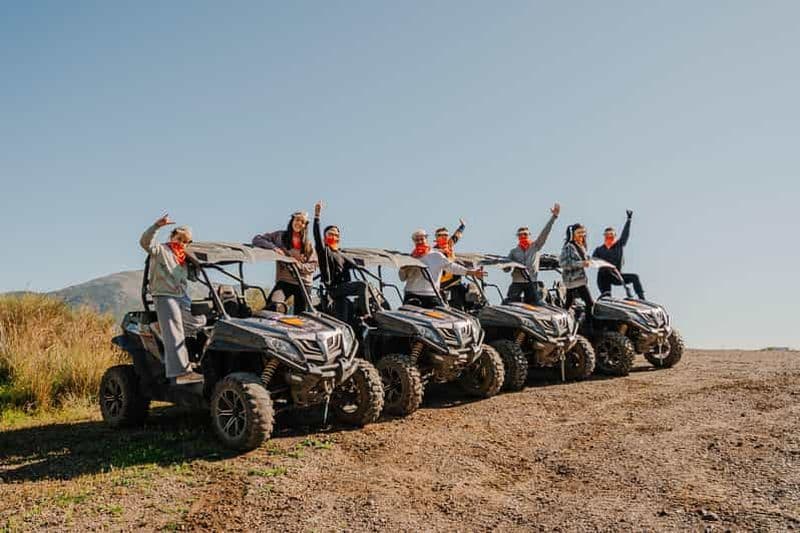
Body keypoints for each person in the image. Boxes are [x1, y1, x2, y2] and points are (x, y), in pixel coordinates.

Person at [140, 214, 206, 385]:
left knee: (198, 322)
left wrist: (196, 264)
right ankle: (181, 373)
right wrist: (156, 226)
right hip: (164, 294)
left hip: (181, 295)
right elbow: (144, 243)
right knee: (174, 332)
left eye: (186, 241)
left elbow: (192, 278)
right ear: (173, 236)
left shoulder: (184, 258)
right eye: (180, 239)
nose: (182, 243)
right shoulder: (161, 250)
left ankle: (159, 327)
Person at [312, 200, 368, 322]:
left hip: (343, 292)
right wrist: (317, 217)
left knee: (345, 320)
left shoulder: (342, 254)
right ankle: (366, 315)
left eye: (336, 235)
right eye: (330, 234)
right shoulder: (324, 252)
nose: (333, 237)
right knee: (362, 285)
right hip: (334, 288)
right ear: (325, 237)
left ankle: (358, 326)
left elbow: (357, 264)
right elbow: (316, 237)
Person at [252, 211, 318, 314]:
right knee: (272, 306)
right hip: (284, 281)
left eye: (303, 222)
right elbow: (257, 239)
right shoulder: (279, 236)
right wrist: (274, 248)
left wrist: (298, 265)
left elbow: (313, 266)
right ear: (292, 220)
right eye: (297, 220)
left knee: (302, 316)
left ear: (305, 226)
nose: (299, 223)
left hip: (304, 283)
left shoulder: (308, 244)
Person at [400, 229, 484, 309]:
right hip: (411, 294)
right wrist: (403, 269)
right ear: (414, 242)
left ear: (426, 239)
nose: (419, 242)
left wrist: (471, 272)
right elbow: (402, 278)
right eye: (417, 240)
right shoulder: (410, 258)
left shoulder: (436, 255)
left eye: (422, 239)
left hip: (431, 295)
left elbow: (452, 267)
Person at [506, 203, 560, 305]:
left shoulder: (535, 246)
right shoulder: (513, 252)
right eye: (520, 235)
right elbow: (506, 269)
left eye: (525, 234)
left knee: (534, 304)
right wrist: (507, 265)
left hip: (532, 281)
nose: (523, 237)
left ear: (529, 235)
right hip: (517, 282)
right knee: (511, 303)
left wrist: (554, 217)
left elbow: (545, 233)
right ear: (517, 237)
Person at [592, 210, 645, 299]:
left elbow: (625, 235)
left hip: (616, 276)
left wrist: (629, 220)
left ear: (615, 236)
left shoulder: (619, 245)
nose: (609, 237)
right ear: (604, 236)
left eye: (611, 235)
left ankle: (642, 298)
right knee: (607, 295)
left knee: (635, 277)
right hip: (603, 277)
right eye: (607, 235)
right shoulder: (599, 250)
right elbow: (592, 261)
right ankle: (606, 299)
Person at [559, 223, 595, 314]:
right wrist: (581, 263)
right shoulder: (569, 247)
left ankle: (563, 320)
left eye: (583, 232)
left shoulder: (581, 246)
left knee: (568, 303)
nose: (582, 234)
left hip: (579, 279)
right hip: (574, 280)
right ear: (573, 233)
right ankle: (588, 326)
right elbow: (563, 263)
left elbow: (581, 260)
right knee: (589, 302)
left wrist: (589, 261)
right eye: (579, 232)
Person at [434, 219, 467, 307]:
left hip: (452, 279)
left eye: (446, 235)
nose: (444, 237)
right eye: (441, 235)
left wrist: (462, 226)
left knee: (462, 290)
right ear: (436, 237)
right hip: (439, 281)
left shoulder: (449, 244)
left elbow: (457, 236)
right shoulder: (433, 251)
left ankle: (461, 308)